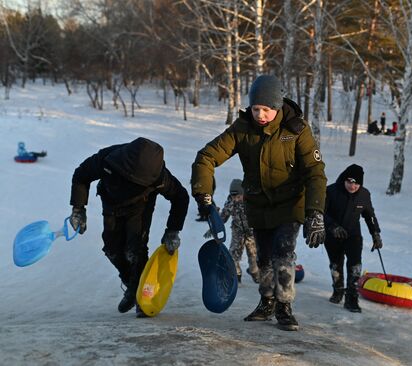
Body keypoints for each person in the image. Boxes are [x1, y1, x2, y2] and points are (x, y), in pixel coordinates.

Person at [191, 74, 327, 331]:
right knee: (263, 258)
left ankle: (284, 306)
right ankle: (267, 302)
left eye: (267, 109)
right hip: (258, 204)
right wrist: (203, 193)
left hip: (289, 204)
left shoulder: (296, 130)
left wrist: (315, 212)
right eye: (256, 109)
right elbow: (206, 157)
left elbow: (315, 172)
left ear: (277, 107)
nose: (261, 115)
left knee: (283, 253)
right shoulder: (242, 130)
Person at [69, 137, 189, 317]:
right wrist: (78, 208)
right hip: (111, 204)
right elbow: (81, 175)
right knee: (111, 249)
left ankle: (142, 297)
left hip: (140, 207)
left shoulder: (159, 176)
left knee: (135, 249)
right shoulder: (107, 159)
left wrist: (173, 230)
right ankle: (132, 284)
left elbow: (180, 197)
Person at [323, 164, 383, 313]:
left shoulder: (364, 194)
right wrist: (332, 227)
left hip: (353, 235)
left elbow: (370, 216)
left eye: (356, 183)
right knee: (336, 264)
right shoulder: (331, 191)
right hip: (333, 235)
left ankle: (351, 298)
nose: (353, 186)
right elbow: (321, 213)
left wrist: (375, 233)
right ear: (344, 179)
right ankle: (338, 290)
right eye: (350, 181)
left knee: (355, 265)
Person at [206, 179, 259, 284]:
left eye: (238, 197)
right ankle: (236, 275)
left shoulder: (251, 202)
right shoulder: (230, 203)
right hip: (237, 232)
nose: (236, 199)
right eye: (234, 197)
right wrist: (214, 227)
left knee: (253, 255)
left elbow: (259, 215)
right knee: (233, 254)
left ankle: (255, 272)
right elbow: (223, 217)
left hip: (251, 233)